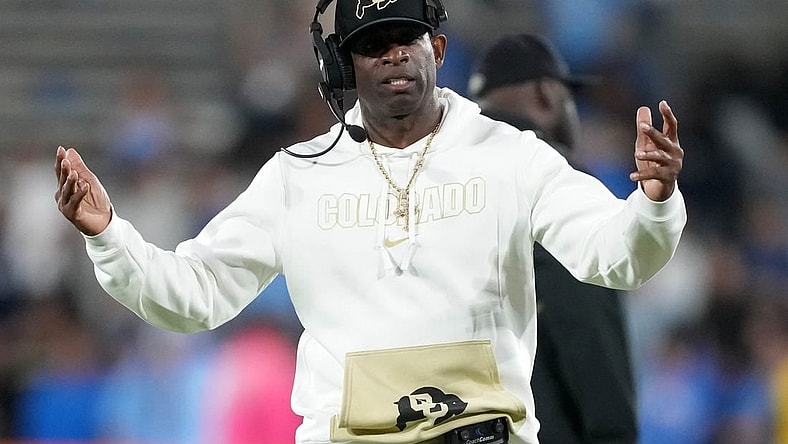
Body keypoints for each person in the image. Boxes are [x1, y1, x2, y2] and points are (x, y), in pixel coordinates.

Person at [53, 1, 686, 443]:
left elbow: (615, 256)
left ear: (436, 48)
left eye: (405, 39)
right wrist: (108, 234)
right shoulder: (294, 176)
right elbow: (194, 296)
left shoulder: (512, 155)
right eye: (371, 46)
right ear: (343, 68)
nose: (392, 58)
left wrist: (655, 202)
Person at [467, 34, 638, 443]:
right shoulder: (555, 179)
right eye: (569, 97)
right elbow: (587, 329)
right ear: (546, 93)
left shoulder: (448, 183)